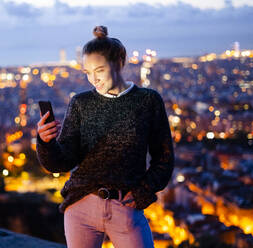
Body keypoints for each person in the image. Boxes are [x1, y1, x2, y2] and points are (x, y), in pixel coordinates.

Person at [36, 26, 174, 248]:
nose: (93, 79)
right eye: (87, 72)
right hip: (81, 207)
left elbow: (164, 158)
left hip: (126, 207)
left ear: (119, 61)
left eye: (99, 70)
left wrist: (143, 190)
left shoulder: (148, 101)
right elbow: (62, 162)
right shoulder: (81, 103)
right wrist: (46, 142)